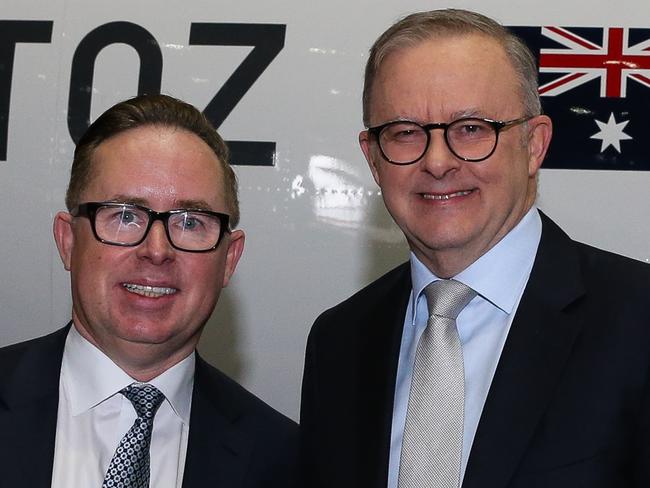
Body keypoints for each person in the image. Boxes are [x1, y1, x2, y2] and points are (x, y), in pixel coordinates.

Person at [300, 9, 650, 488]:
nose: (438, 162)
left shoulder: (638, 320)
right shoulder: (339, 342)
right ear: (373, 159)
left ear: (533, 144)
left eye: (471, 129)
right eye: (405, 132)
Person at [0, 94, 297, 487]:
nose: (157, 250)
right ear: (68, 240)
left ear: (230, 258)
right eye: (124, 215)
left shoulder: (287, 462)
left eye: (191, 222)